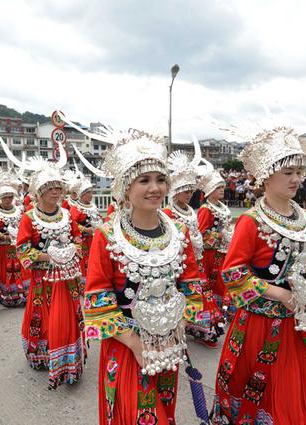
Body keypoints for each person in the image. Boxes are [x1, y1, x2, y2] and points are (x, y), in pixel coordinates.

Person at [211, 127, 306, 424]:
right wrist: (279, 293)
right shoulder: (251, 221)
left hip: (301, 322)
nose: (297, 179)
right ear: (266, 176)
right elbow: (232, 274)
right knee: (269, 397)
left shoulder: (304, 217)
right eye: (287, 172)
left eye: (299, 171)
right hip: (261, 324)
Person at [74, 126, 205, 424]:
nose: (154, 188)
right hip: (127, 345)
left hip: (169, 343)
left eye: (160, 179)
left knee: (165, 408)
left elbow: (192, 289)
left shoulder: (179, 231)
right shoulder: (107, 235)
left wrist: (176, 327)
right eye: (144, 180)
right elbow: (97, 301)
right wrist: (136, 344)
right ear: (125, 188)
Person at [3, 139, 85, 389]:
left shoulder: (67, 214)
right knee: (45, 314)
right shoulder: (30, 218)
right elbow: (23, 248)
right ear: (38, 192)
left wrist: (73, 250)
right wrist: (47, 257)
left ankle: (69, 359)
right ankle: (43, 352)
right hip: (44, 278)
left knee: (69, 313)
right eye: (50, 188)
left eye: (58, 188)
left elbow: (78, 237)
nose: (56, 192)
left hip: (67, 276)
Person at [163, 141, 224, 348]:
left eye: (190, 190)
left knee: (200, 292)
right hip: (177, 261)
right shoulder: (168, 213)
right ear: (174, 191)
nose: (188, 194)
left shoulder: (191, 211)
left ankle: (202, 328)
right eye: (184, 190)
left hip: (195, 260)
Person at [197, 163, 234, 318]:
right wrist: (220, 236)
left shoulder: (222, 207)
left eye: (222, 187)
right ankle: (215, 311)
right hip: (211, 253)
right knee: (216, 281)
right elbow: (201, 233)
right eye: (218, 188)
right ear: (210, 191)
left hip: (224, 250)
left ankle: (223, 308)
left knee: (223, 280)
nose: (222, 190)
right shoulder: (206, 209)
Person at [0, 178, 24, 306]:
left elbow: (25, 226)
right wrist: (4, 237)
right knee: (4, 271)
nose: (8, 200)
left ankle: (20, 293)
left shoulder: (20, 210)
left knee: (20, 269)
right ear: (0, 198)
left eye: (10, 197)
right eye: (5, 197)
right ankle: (6, 294)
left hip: (17, 246)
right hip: (2, 248)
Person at [69, 175, 102, 289]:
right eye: (88, 193)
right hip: (83, 241)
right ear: (81, 194)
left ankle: (94, 281)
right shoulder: (76, 208)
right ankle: (83, 284)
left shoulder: (93, 206)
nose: (90, 195)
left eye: (91, 192)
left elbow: (98, 218)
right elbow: (72, 224)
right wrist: (85, 229)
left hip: (94, 238)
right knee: (84, 262)